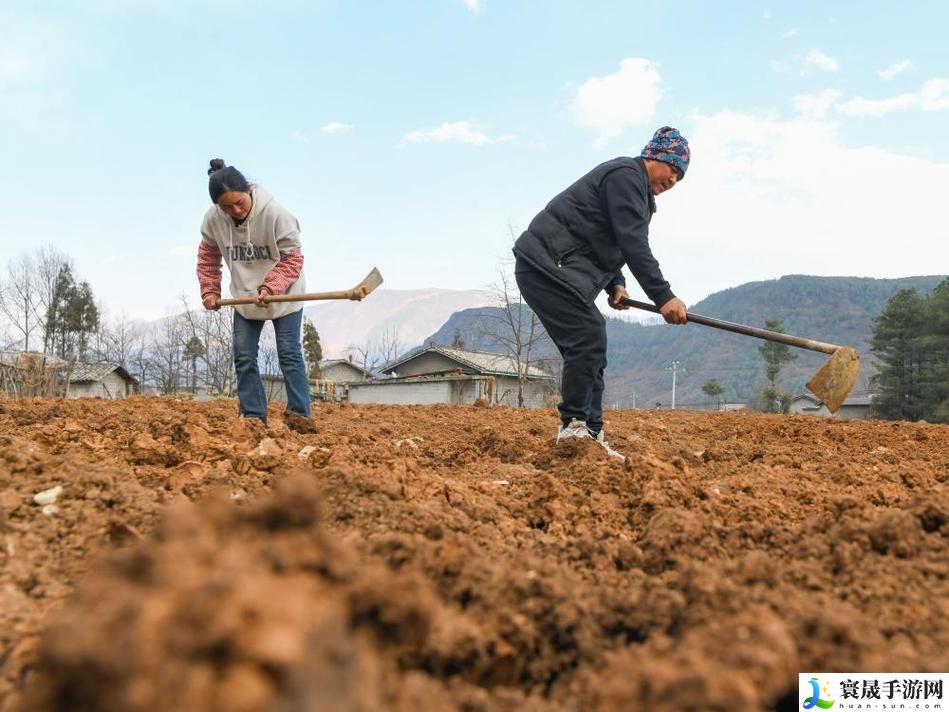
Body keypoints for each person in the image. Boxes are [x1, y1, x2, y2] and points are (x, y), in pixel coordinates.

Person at [512, 127, 690, 460]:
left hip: (554, 267)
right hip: (544, 263)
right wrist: (663, 296)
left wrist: (615, 283)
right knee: (588, 335)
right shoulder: (625, 176)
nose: (673, 180)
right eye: (672, 168)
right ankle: (575, 427)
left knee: (592, 345)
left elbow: (609, 240)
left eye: (680, 177)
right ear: (654, 156)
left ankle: (590, 433)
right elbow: (633, 243)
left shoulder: (636, 191)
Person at [196, 158, 312, 428]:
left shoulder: (276, 214)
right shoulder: (212, 220)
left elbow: (293, 259)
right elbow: (208, 258)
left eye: (240, 203)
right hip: (245, 295)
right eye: (227, 207)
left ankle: (299, 418)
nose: (235, 210)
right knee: (244, 355)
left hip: (285, 295)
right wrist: (209, 291)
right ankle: (253, 417)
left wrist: (271, 287)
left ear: (248, 190)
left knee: (289, 353)